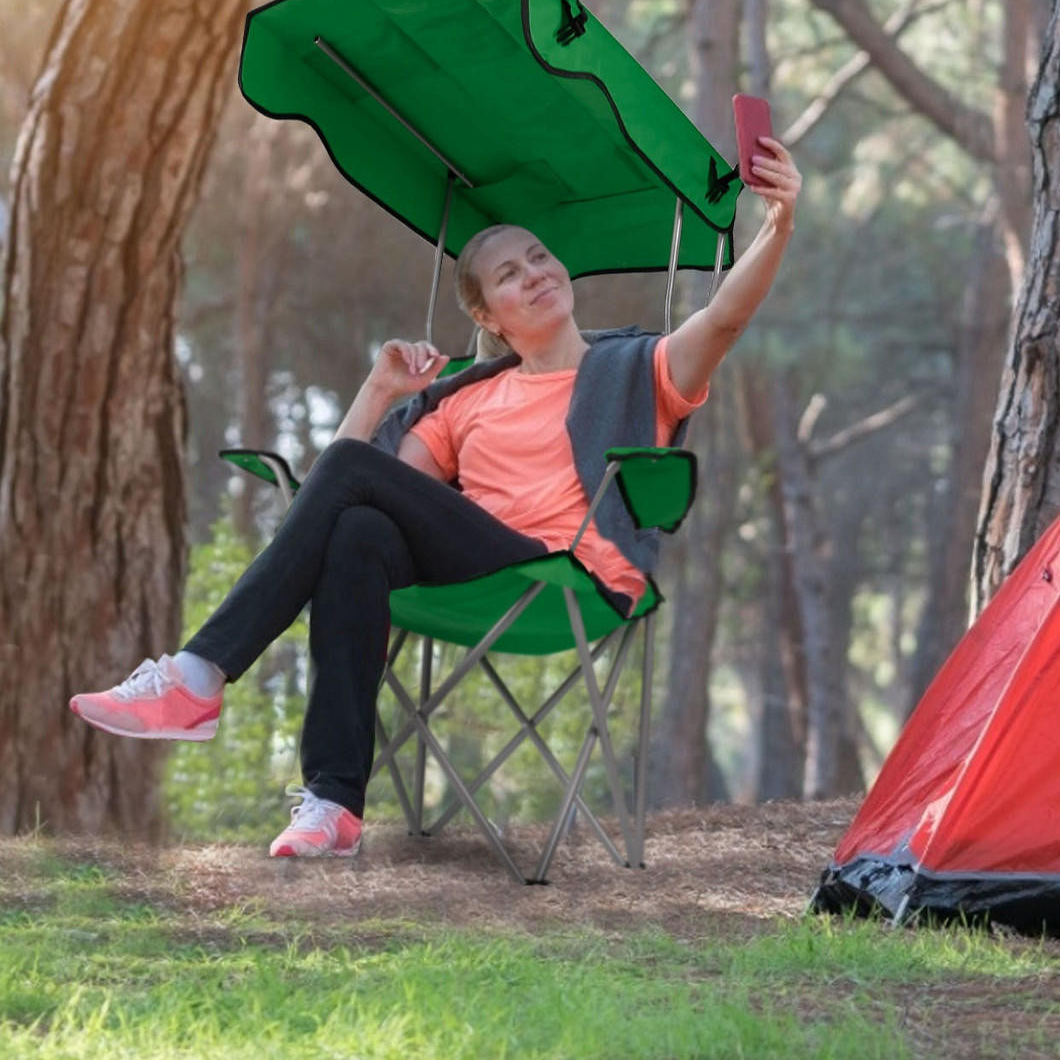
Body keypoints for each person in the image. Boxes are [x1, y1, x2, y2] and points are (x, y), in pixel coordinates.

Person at [70, 137, 802, 858]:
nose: (536, 273)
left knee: (354, 485)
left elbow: (725, 319)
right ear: (488, 317)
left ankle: (198, 675)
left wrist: (776, 225)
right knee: (355, 528)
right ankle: (333, 802)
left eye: (540, 257)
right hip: (473, 567)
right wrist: (382, 390)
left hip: (569, 574)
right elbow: (347, 489)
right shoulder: (463, 401)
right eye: (511, 274)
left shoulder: (639, 365)